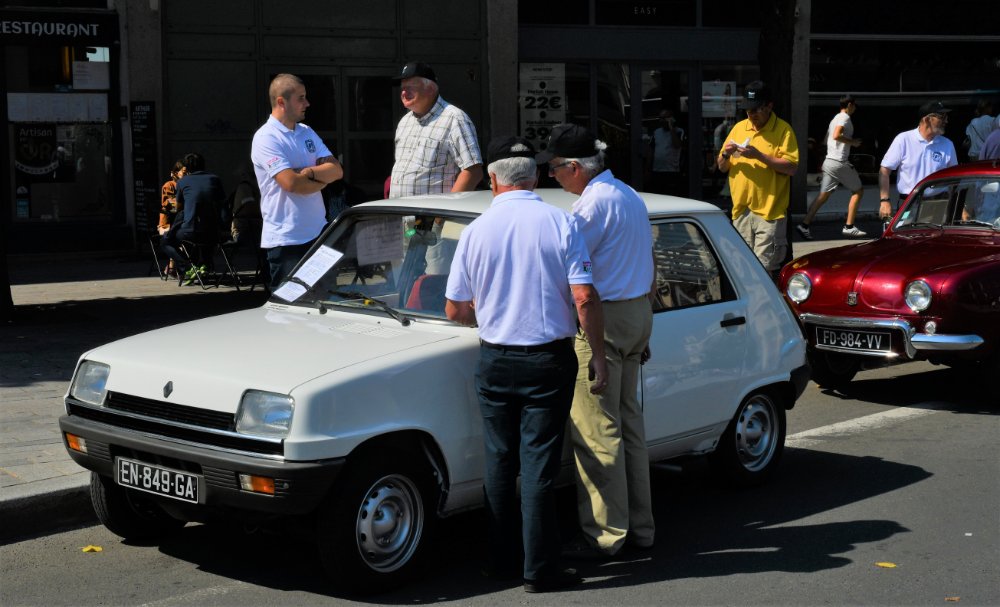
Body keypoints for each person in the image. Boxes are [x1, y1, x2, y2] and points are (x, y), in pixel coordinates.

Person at [445, 135, 608, 594]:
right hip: (547, 359)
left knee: (499, 461)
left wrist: (489, 313)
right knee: (538, 466)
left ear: (493, 180)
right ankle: (540, 569)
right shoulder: (561, 222)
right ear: (534, 177)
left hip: (495, 357)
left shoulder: (475, 231)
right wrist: (598, 354)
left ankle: (500, 562)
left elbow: (455, 309)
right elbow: (583, 296)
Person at [537, 123, 656, 560]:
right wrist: (644, 323)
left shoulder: (590, 206)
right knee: (629, 425)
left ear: (574, 167)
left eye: (554, 168)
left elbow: (570, 274)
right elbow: (651, 262)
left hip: (604, 318)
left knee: (596, 430)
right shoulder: (628, 194)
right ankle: (640, 527)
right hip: (636, 311)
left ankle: (606, 534)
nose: (552, 176)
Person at [251, 73, 343, 290]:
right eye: (301, 98)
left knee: (326, 303)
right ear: (281, 102)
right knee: (289, 307)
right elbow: (291, 184)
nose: (307, 103)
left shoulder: (306, 132)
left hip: (319, 234)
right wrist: (320, 178)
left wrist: (306, 173)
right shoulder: (266, 137)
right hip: (286, 241)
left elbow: (337, 171)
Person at [717, 81, 799, 279]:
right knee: (741, 270)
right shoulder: (739, 128)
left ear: (769, 106)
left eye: (756, 109)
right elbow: (721, 167)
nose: (751, 114)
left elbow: (791, 167)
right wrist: (726, 154)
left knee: (763, 271)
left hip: (769, 213)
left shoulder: (783, 130)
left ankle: (765, 300)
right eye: (747, 110)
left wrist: (759, 156)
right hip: (741, 212)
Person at [388, 62, 483, 198]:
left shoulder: (454, 118)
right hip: (400, 209)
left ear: (431, 89)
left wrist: (448, 209)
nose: (404, 92)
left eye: (410, 87)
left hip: (432, 211)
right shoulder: (404, 122)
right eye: (402, 88)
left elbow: (473, 171)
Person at [797, 95, 867, 240]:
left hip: (829, 162)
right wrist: (852, 142)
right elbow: (836, 135)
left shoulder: (834, 119)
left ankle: (804, 225)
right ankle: (849, 227)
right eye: (854, 106)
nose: (855, 109)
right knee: (858, 191)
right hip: (839, 162)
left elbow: (826, 140)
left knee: (823, 196)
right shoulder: (844, 118)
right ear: (849, 105)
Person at [878, 100, 958, 223]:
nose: (946, 121)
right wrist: (884, 200)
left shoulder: (947, 144)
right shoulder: (904, 139)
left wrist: (959, 205)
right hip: (909, 204)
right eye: (942, 116)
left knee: (935, 236)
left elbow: (954, 178)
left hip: (938, 204)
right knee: (905, 234)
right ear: (927, 119)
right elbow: (884, 170)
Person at [159, 153, 226, 282]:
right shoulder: (215, 179)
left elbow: (178, 208)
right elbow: (222, 204)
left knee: (165, 242)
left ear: (187, 168)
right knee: (202, 236)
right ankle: (204, 264)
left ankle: (188, 265)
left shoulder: (183, 182)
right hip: (214, 233)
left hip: (190, 232)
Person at [157, 160, 186, 277]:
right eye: (184, 172)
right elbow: (170, 206)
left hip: (180, 222)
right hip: (167, 224)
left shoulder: (186, 185)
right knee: (176, 239)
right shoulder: (169, 185)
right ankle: (173, 267)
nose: (186, 175)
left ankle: (172, 267)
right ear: (175, 173)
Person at [648, 109, 684, 195]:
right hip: (657, 170)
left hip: (672, 171)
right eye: (660, 118)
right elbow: (651, 150)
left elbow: (677, 145)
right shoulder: (656, 132)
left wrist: (671, 128)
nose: (662, 120)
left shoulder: (679, 131)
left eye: (664, 118)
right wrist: (648, 169)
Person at [229, 162, 262, 245]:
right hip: (246, 232)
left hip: (248, 231)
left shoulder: (249, 187)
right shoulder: (245, 187)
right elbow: (249, 207)